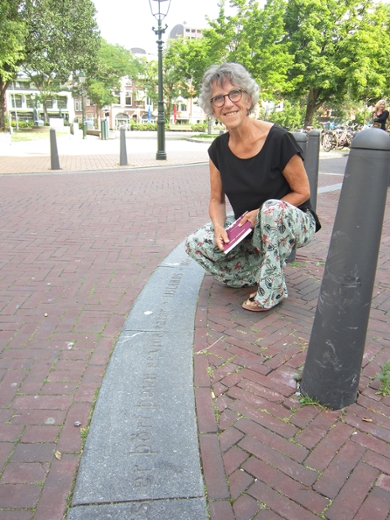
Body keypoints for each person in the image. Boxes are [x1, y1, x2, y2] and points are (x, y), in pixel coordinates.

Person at [185, 63, 321, 312]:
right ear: (212, 108)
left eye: (234, 93)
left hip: (290, 220)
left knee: (270, 210)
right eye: (218, 98)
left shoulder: (278, 138)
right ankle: (259, 270)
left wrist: (259, 213)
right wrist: (218, 228)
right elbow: (216, 199)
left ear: (248, 99)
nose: (227, 103)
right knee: (196, 243)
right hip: (248, 228)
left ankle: (273, 290)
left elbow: (303, 192)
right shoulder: (217, 149)